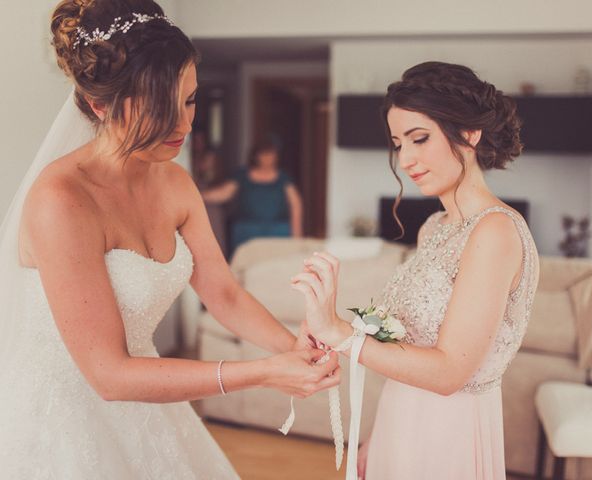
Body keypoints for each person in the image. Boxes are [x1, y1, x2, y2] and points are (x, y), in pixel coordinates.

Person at [0, 1, 339, 478]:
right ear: (100, 105)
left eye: (190, 100)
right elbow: (109, 375)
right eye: (162, 107)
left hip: (149, 399)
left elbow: (222, 293)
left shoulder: (175, 183)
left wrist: (291, 349)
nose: (184, 125)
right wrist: (263, 373)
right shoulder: (62, 201)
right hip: (66, 414)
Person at [292, 61, 540, 479]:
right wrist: (377, 434)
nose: (405, 159)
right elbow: (409, 348)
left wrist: (340, 332)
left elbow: (447, 373)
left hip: (450, 437)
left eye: (419, 139)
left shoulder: (496, 232)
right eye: (397, 143)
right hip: (400, 418)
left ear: (469, 133)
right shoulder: (434, 227)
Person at [202, 139, 303, 255]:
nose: (267, 158)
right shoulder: (242, 175)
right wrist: (198, 195)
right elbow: (224, 193)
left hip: (277, 232)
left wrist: (297, 238)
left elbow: (296, 206)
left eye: (270, 154)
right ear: (256, 156)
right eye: (263, 154)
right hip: (247, 232)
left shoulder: (284, 178)